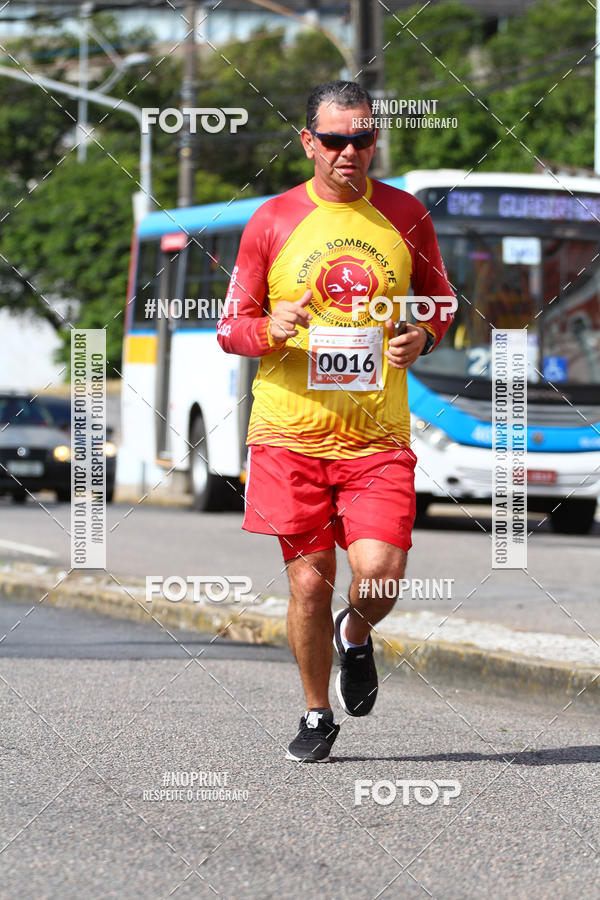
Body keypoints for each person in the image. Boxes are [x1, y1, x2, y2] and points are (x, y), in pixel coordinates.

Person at [217, 80, 454, 762]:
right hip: (290, 434)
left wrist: (424, 337)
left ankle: (358, 633)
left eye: (363, 139)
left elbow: (441, 300)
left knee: (378, 573)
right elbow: (231, 327)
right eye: (335, 140)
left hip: (376, 436)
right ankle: (317, 714)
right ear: (307, 142)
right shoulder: (272, 219)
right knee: (309, 580)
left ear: (375, 140)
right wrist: (270, 327)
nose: (350, 152)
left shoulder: (406, 214)